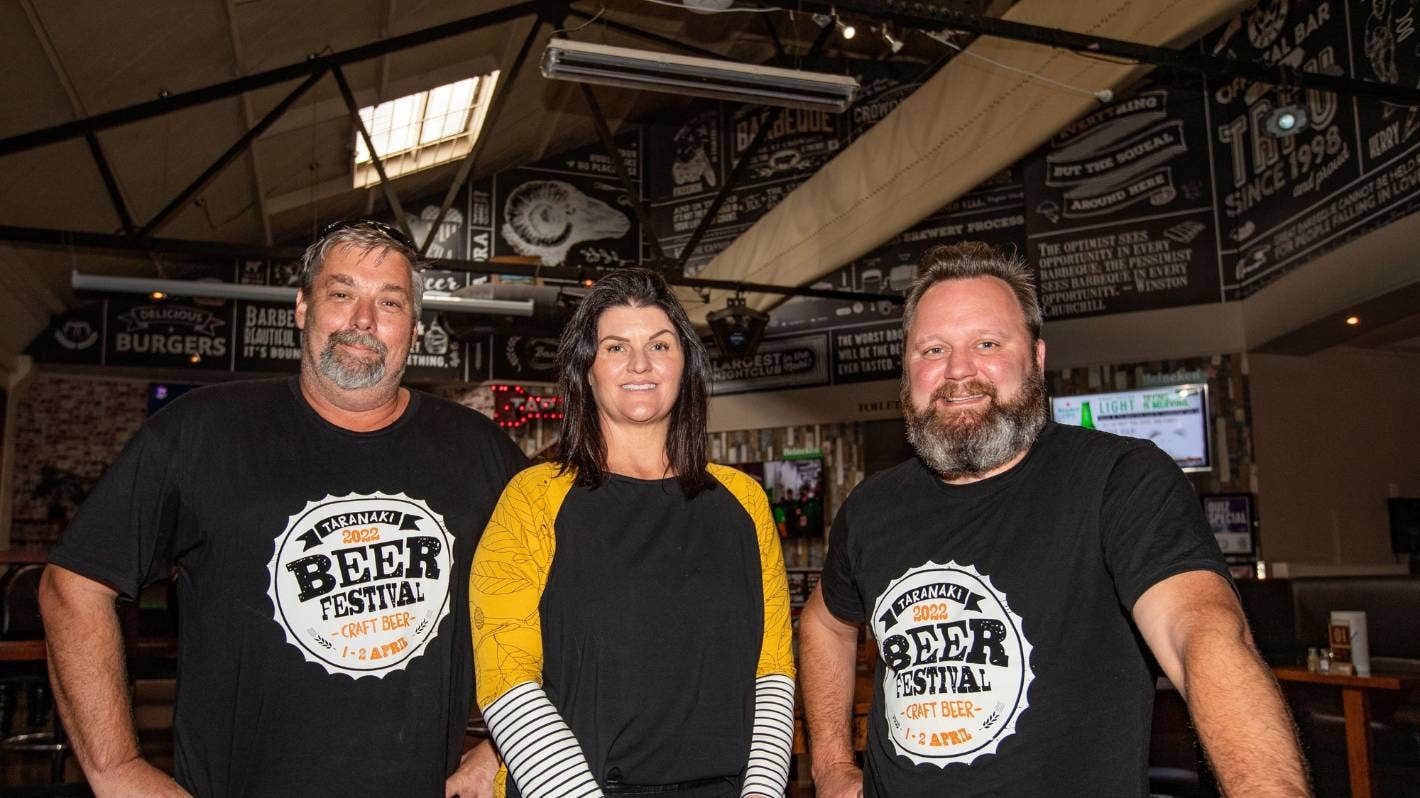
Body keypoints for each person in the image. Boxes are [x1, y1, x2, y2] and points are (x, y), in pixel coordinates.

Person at [799, 242, 1310, 797]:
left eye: (987, 343)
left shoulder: (1121, 479)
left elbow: (1202, 632)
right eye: (933, 349)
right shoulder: (872, 506)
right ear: (907, 370)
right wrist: (830, 767)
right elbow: (825, 624)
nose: (958, 370)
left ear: (1037, 359)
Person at [39, 221, 527, 797]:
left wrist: (502, 747)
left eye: (389, 302)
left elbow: (564, 596)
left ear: (414, 330)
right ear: (302, 308)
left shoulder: (478, 449)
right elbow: (73, 586)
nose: (363, 321)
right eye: (341, 294)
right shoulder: (203, 430)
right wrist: (115, 769)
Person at [471, 268, 796, 798]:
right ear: (587, 371)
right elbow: (508, 679)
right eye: (616, 346)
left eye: (660, 345)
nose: (640, 363)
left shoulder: (744, 501)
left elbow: (774, 671)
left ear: (685, 365)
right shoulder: (533, 499)